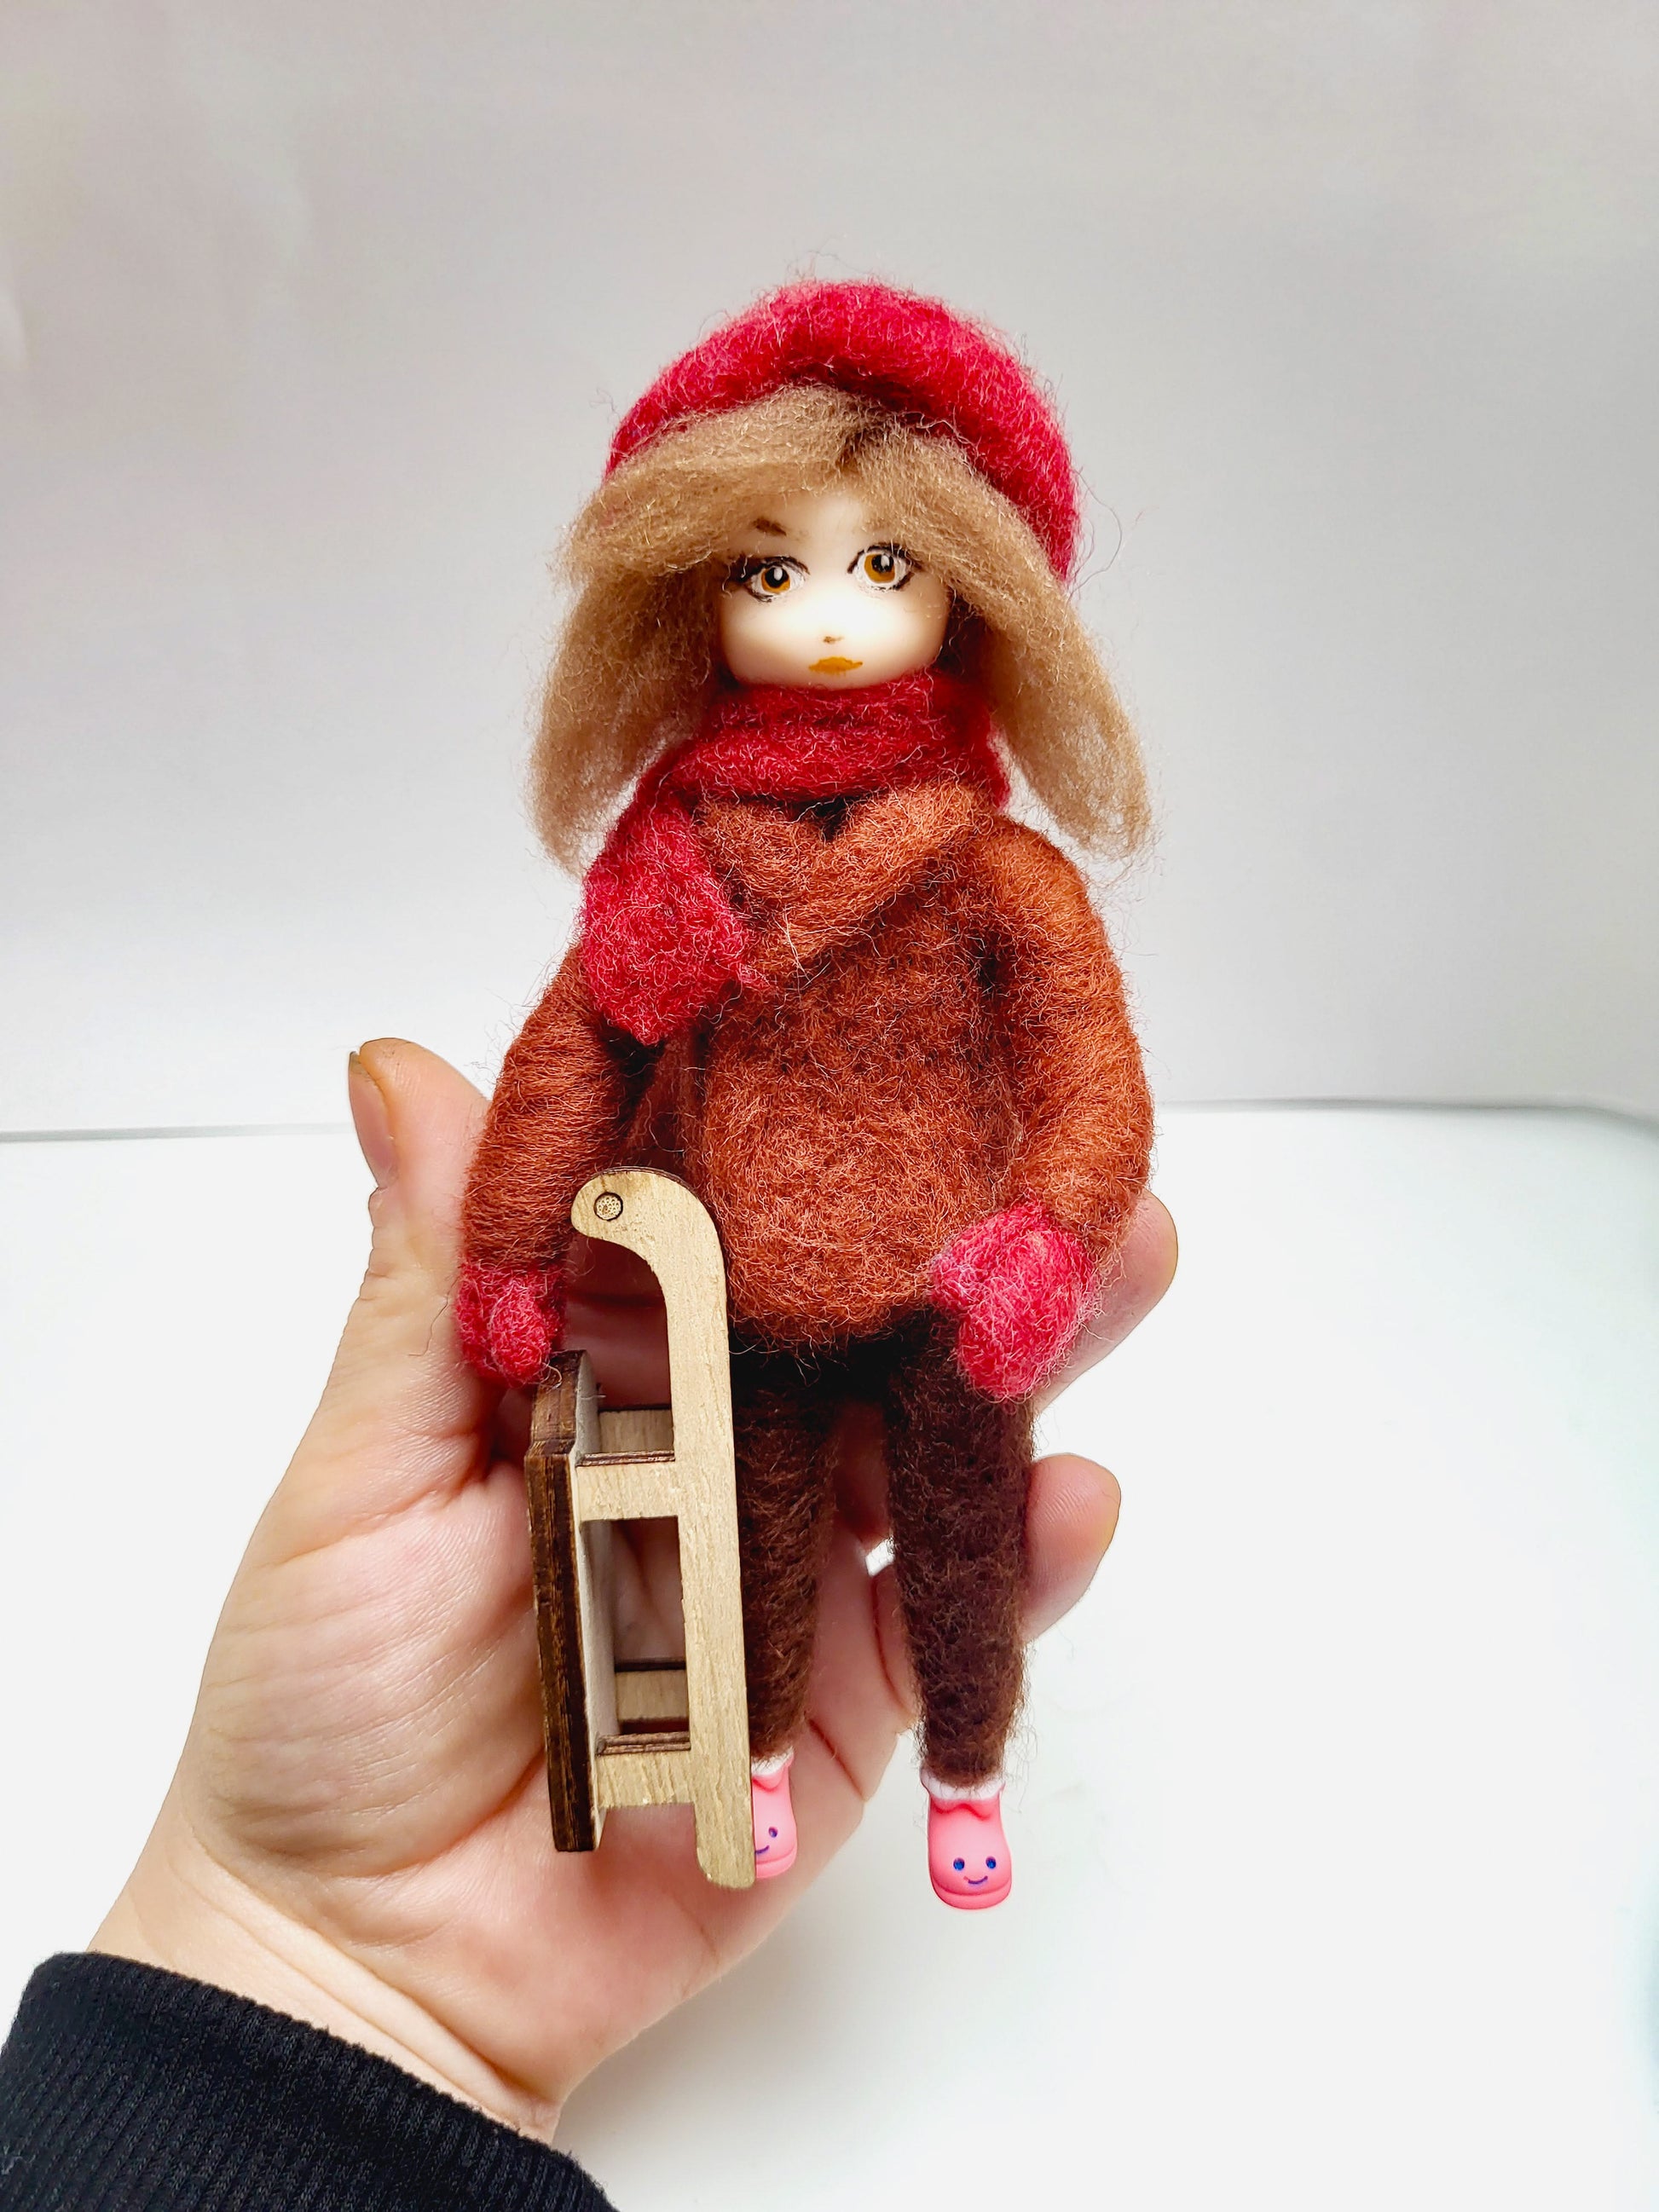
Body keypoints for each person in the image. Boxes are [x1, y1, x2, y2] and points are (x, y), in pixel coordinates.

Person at [0, 1040, 1176, 2208]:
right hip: (763, 1278)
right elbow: (579, 1052)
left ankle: (964, 1780)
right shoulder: (699, 935)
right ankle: (761, 1760)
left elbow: (1086, 1076)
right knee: (765, 1521)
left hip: (951, 1282)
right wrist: (518, 1251)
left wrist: (1053, 1227)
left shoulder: (989, 933)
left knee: (967, 1533)